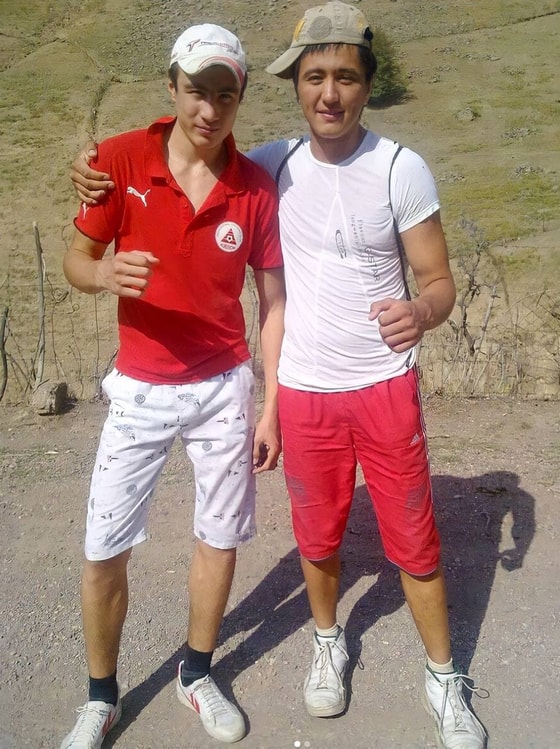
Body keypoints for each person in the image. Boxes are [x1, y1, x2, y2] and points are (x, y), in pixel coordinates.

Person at [70, 4, 488, 747]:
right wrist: (90, 189)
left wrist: (421, 312)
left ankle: (439, 675)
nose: (330, 92)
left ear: (367, 86)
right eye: (315, 76)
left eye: (346, 77)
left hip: (341, 383)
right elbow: (159, 165)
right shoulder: (232, 163)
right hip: (245, 387)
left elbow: (425, 283)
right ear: (295, 85)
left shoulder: (357, 171)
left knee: (396, 540)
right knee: (300, 538)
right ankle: (309, 647)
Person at [60, 23, 285, 748]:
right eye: (196, 91)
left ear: (240, 99)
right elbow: (77, 260)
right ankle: (100, 697)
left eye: (225, 95)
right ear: (172, 86)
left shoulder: (254, 186)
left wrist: (271, 407)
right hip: (140, 387)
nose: (209, 110)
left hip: (224, 386)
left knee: (219, 537)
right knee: (104, 546)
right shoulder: (119, 160)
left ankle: (196, 672)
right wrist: (102, 273)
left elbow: (274, 303)